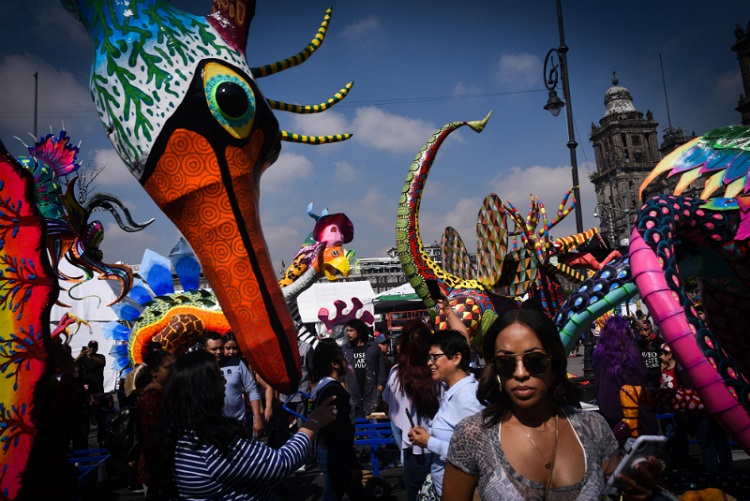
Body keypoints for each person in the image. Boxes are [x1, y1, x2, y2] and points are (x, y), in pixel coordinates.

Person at [444, 307, 665, 500]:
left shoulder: (593, 428)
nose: (520, 373)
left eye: (535, 360)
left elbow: (620, 491)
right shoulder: (473, 435)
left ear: (554, 362)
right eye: (506, 362)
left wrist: (638, 492)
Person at [147, 350, 337, 499]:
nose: (224, 383)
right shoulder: (215, 444)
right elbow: (281, 463)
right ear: (204, 388)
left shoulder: (177, 434)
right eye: (219, 376)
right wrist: (313, 423)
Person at [407, 330, 484, 499]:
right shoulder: (454, 392)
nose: (429, 363)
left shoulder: (468, 398)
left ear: (456, 358)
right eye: (429, 357)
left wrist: (429, 442)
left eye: (435, 357)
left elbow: (479, 455)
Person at [382, 320, 442, 501]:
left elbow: (388, 407)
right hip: (441, 448)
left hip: (413, 449)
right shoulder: (440, 371)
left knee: (415, 495)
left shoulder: (396, 374)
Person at [311, 338, 363, 500]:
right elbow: (337, 430)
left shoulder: (325, 386)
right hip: (335, 454)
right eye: (342, 357)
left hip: (334, 452)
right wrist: (352, 463)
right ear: (334, 363)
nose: (346, 361)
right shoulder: (332, 390)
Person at [593, 316, 658, 437]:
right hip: (633, 411)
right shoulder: (632, 353)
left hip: (609, 409)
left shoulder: (598, 354)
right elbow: (643, 378)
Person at [203, 332, 264, 436]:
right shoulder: (200, 368)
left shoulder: (237, 363)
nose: (219, 352)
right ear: (204, 350)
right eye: (214, 349)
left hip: (240, 424)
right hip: (214, 428)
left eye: (221, 348)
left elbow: (252, 389)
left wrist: (257, 419)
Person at [135, 349, 174, 498]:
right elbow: (153, 440)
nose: (173, 371)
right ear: (153, 372)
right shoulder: (150, 399)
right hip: (157, 470)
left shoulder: (164, 392)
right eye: (167, 367)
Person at [223, 332, 274, 436]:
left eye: (234, 348)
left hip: (246, 415)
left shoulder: (243, 364)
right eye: (228, 348)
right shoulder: (216, 366)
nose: (231, 352)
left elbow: (254, 388)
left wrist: (263, 411)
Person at [341, 319, 388, 418]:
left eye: (351, 330)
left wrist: (380, 386)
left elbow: (381, 367)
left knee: (371, 422)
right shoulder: (345, 349)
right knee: (355, 421)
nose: (348, 333)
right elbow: (341, 368)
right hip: (352, 391)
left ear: (360, 332)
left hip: (371, 391)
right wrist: (342, 383)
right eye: (347, 331)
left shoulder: (373, 347)